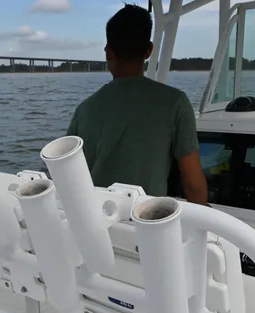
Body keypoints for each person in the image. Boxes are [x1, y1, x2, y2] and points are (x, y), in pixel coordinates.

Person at [65, 3, 208, 204]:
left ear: (108, 53)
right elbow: (193, 185)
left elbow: (68, 178)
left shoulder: (84, 109)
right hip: (147, 226)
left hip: (98, 224)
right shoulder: (176, 104)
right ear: (149, 50)